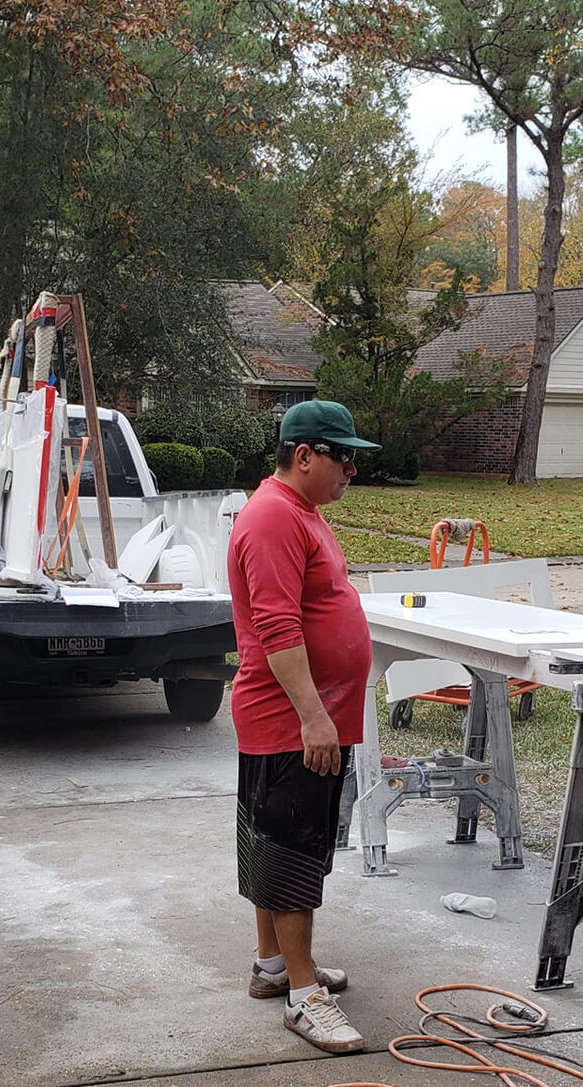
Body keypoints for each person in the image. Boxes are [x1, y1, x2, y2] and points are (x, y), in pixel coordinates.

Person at [227, 400, 379, 1053]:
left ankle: (272, 967)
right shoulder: (270, 518)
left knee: (274, 843)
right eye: (342, 457)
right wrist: (313, 715)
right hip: (289, 718)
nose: (351, 468)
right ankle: (301, 995)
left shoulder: (302, 513)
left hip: (304, 717)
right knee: (292, 854)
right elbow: (277, 629)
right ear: (304, 455)